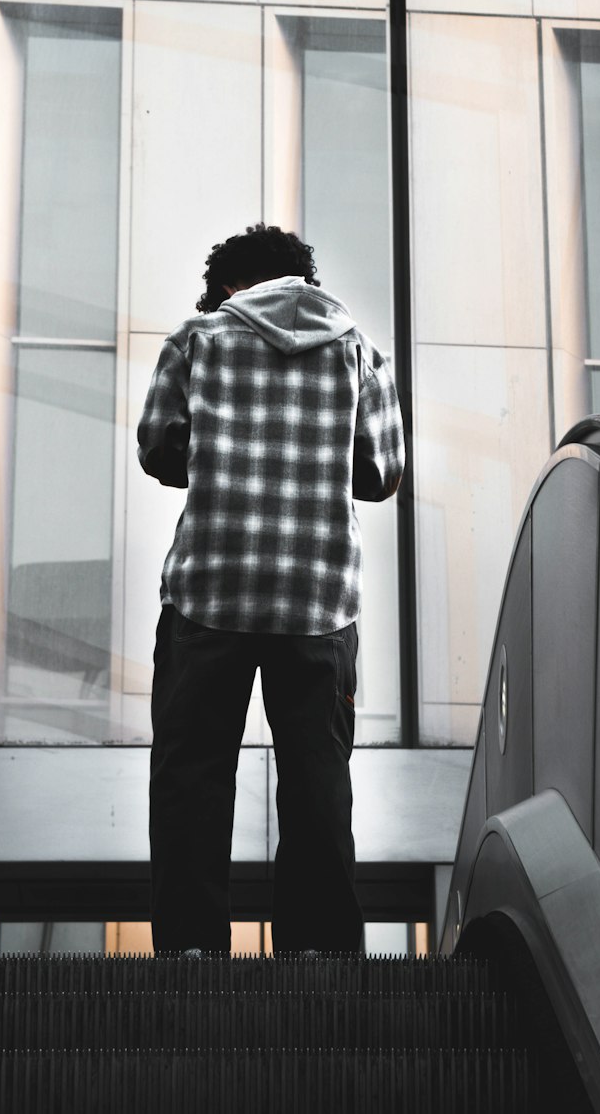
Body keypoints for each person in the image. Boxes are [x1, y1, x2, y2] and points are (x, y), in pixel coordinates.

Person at [137, 223, 405, 954]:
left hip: (210, 591)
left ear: (229, 285)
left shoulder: (199, 340)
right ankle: (317, 951)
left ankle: (192, 949)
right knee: (317, 777)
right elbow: (381, 473)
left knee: (193, 774)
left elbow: (159, 447)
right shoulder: (359, 351)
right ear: (301, 279)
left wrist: (223, 459)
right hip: (318, 598)